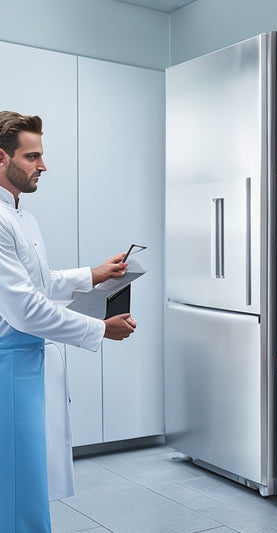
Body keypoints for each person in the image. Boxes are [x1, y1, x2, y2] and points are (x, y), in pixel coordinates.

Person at [0, 110, 137, 532]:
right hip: (9, 366)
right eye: (31, 157)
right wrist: (101, 329)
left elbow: (42, 283)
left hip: (28, 362)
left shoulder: (22, 216)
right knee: (19, 484)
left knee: (26, 478)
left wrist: (96, 273)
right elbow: (24, 309)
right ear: (0, 159)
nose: (43, 166)